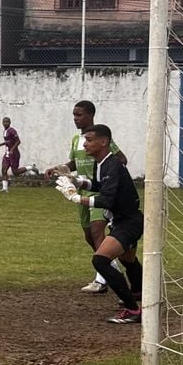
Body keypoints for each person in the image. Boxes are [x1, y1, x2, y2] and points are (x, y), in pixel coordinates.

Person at [55, 124, 144, 324]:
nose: (85, 144)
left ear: (103, 142)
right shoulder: (102, 163)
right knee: (128, 260)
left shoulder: (113, 164)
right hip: (124, 220)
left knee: (100, 260)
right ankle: (138, 294)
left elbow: (106, 200)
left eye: (89, 140)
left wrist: (75, 198)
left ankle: (133, 310)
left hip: (128, 222)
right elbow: (98, 185)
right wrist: (77, 181)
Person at [50, 100, 127, 295]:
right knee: (89, 235)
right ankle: (111, 269)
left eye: (79, 115)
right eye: (74, 115)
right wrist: (59, 169)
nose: (76, 119)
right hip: (82, 190)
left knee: (96, 230)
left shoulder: (99, 137)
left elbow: (121, 159)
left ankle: (101, 280)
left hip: (100, 191)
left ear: (91, 115)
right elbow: (74, 163)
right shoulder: (78, 140)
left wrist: (108, 177)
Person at [0, 117, 36, 193]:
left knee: (15, 172)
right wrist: (1, 144)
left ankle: (31, 167)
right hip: (7, 154)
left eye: (7, 122)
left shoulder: (12, 131)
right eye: (4, 122)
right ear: (2, 123)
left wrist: (12, 149)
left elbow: (18, 141)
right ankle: (5, 188)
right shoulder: (5, 131)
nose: (5, 123)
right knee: (4, 170)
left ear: (10, 123)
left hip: (14, 154)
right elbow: (8, 141)